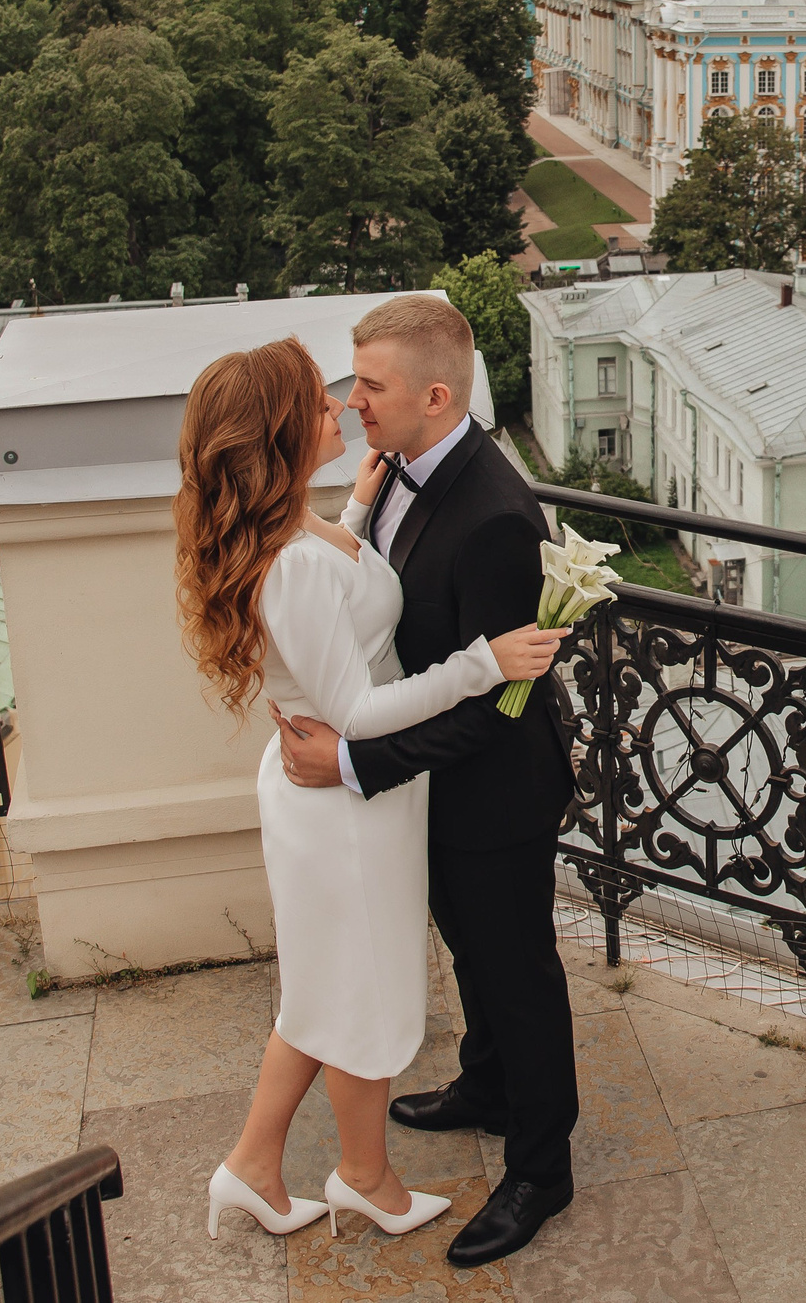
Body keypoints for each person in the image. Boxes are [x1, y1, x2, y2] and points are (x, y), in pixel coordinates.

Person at [172, 336, 567, 1246]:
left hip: (347, 793)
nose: (345, 406)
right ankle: (359, 1178)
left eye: (358, 387)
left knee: (321, 988)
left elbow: (341, 556)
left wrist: (355, 496)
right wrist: (483, 661)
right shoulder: (295, 558)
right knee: (341, 987)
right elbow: (354, 706)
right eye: (321, 401)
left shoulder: (299, 519)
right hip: (339, 799)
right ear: (277, 434)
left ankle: (262, 1168)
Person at [273, 293, 584, 1268]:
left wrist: (356, 763)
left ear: (436, 396)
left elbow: (499, 709)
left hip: (493, 800)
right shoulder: (404, 467)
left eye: (371, 385)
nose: (353, 401)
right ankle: (484, 1087)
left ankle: (541, 1166)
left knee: (517, 975)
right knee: (471, 956)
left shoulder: (495, 517)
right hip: (436, 793)